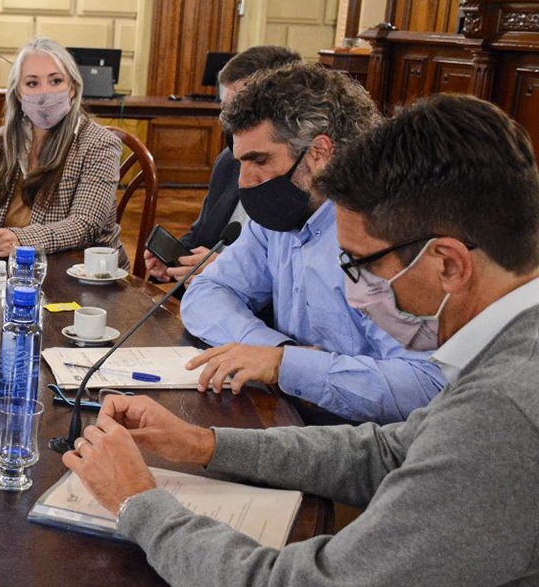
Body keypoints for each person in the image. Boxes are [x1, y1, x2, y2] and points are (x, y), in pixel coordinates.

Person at [64, 93, 539, 587]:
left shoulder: (504, 410)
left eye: (359, 266)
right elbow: (389, 452)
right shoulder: (513, 344)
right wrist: (205, 445)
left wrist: (139, 503)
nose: (355, 290)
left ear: (447, 263)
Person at [179, 63, 445, 424]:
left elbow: (426, 386)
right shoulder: (279, 218)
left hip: (368, 446)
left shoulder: (382, 233)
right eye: (241, 161)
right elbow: (207, 291)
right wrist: (276, 351)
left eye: (259, 160)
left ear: (319, 152)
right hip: (290, 417)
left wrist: (289, 367)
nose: (245, 181)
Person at [0, 37, 125, 262]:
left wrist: (21, 239)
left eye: (56, 81)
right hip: (7, 266)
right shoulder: (0, 140)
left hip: (82, 272)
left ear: (72, 88)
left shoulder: (100, 144)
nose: (45, 92)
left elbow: (84, 226)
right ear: (19, 93)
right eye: (32, 83)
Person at [145, 45, 302, 284]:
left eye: (239, 109)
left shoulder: (303, 181)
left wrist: (226, 268)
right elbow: (202, 235)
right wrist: (175, 262)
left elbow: (291, 285)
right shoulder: (229, 160)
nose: (228, 122)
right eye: (225, 110)